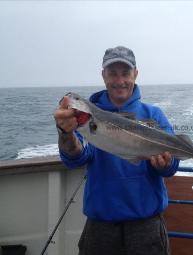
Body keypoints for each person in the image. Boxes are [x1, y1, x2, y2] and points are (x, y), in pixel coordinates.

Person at [53, 46, 179, 255]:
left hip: (146, 228)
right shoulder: (86, 117)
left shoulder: (153, 115)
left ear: (135, 74)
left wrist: (166, 164)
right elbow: (76, 158)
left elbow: (172, 166)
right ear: (103, 76)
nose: (119, 81)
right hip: (100, 229)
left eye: (125, 73)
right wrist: (65, 133)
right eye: (112, 73)